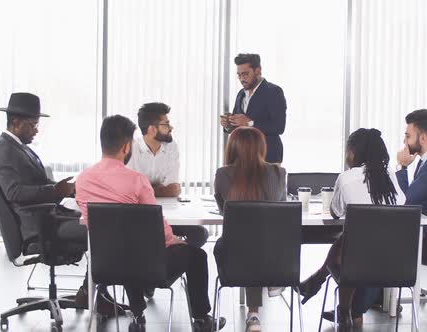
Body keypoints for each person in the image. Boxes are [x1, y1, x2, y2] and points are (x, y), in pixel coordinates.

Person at [75, 115, 226, 332]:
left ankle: (138, 315)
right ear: (127, 147)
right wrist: (174, 240)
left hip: (104, 266)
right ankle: (202, 320)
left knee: (125, 247)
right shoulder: (137, 181)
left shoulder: (83, 179)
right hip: (145, 266)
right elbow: (157, 225)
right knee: (196, 256)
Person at [0, 92, 122, 316]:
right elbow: (14, 192)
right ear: (16, 123)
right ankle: (90, 293)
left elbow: (37, 183)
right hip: (39, 226)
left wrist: (67, 189)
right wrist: (54, 191)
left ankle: (92, 292)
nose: (36, 130)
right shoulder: (4, 151)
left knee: (102, 223)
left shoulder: (17, 147)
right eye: (32, 125)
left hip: (48, 217)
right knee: (102, 232)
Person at [297, 128, 405, 328]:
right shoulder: (390, 175)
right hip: (395, 264)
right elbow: (402, 202)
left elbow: (335, 212)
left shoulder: (347, 178)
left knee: (350, 243)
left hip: (358, 264)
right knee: (349, 240)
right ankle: (321, 286)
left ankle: (341, 307)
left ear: (352, 153)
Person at [213, 127, 286, 332]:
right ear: (262, 147)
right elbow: (282, 210)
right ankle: (255, 310)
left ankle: (253, 315)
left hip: (235, 259)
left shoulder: (223, 174)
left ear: (233, 148)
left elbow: (224, 211)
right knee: (259, 242)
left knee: (231, 244)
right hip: (274, 257)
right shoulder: (279, 172)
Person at [127, 102, 209, 249]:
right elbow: (131, 192)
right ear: (152, 129)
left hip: (168, 215)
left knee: (200, 233)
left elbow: (174, 189)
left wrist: (146, 189)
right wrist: (160, 189)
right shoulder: (132, 149)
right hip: (140, 216)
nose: (171, 128)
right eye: (166, 124)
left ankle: (174, 258)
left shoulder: (171, 146)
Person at [220, 53, 287, 164]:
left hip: (267, 156)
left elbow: (279, 127)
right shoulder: (241, 94)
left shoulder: (274, 91)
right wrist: (228, 125)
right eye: (239, 75)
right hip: (242, 157)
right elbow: (239, 126)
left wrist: (249, 123)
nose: (241, 79)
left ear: (258, 70)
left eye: (245, 74)